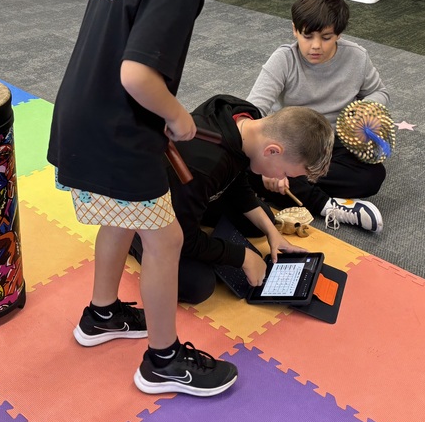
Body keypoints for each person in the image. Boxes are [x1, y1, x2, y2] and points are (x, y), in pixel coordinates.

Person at [47, 0, 294, 398]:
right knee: (168, 240)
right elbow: (137, 74)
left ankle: (102, 314)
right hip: (118, 132)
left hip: (85, 116)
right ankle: (163, 361)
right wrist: (179, 117)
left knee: (121, 219)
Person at [129, 95, 334, 305]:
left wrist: (273, 233)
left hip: (188, 192)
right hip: (144, 208)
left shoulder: (246, 118)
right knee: (198, 284)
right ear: (272, 150)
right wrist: (243, 257)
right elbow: (185, 238)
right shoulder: (204, 166)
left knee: (262, 221)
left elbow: (236, 180)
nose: (282, 179)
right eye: (286, 173)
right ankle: (132, 242)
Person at [247, 0, 389, 234]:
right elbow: (253, 109)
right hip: (291, 145)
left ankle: (291, 190)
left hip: (334, 143)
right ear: (295, 29)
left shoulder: (357, 57)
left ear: (338, 34)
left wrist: (366, 108)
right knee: (252, 169)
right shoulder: (284, 59)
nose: (315, 46)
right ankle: (327, 206)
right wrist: (268, 163)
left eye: (326, 37)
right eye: (307, 36)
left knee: (373, 176)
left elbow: (379, 92)